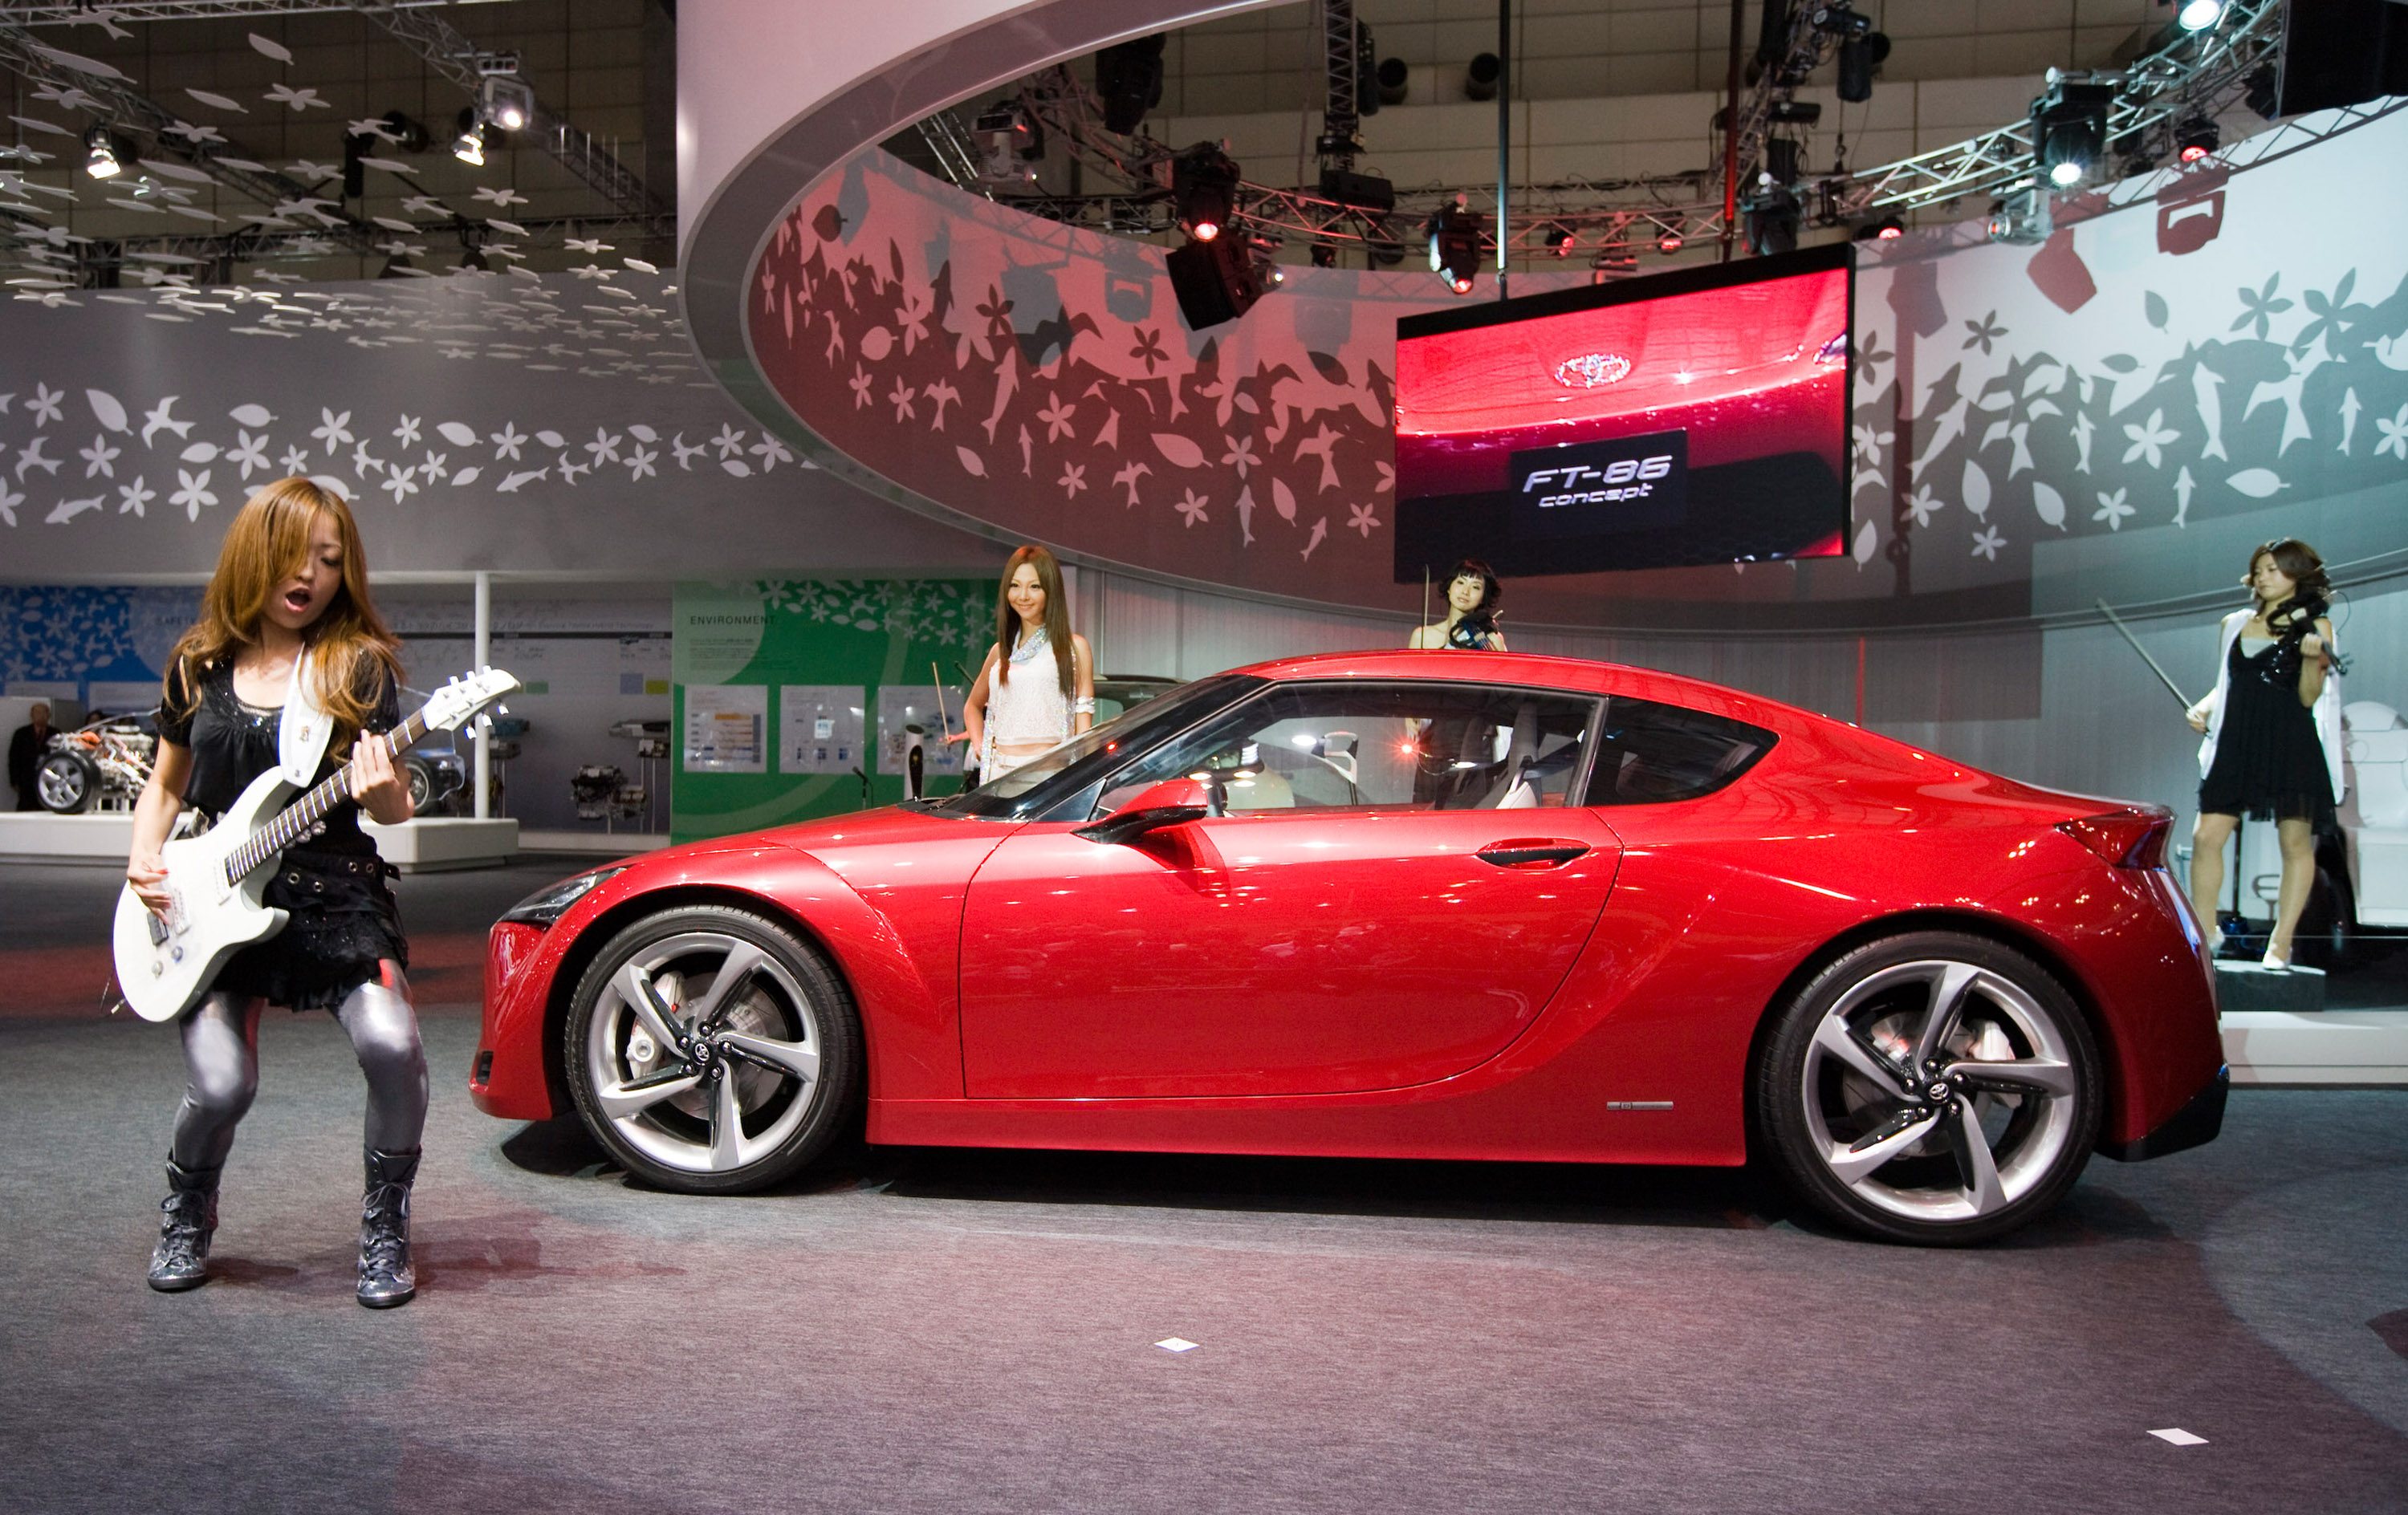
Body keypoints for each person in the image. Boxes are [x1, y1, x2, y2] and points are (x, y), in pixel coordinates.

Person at [125, 478, 426, 1306]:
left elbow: (394, 805)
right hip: (214, 897)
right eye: (297, 554)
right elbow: (165, 786)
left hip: (335, 889)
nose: (312, 574)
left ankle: (387, 1220)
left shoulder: (354, 666)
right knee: (223, 1086)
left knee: (392, 1047)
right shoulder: (199, 663)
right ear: (256, 555)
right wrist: (142, 858)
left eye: (331, 560)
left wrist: (379, 790)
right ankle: (187, 1209)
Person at [2184, 538, 2344, 972]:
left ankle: (2282, 939)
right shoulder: (2234, 623)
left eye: (2274, 569)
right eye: (2259, 569)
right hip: (2237, 741)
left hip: (2290, 743)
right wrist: (2204, 705)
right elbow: (2231, 681)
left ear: (2297, 574)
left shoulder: (2317, 627)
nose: (2264, 577)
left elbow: (2309, 698)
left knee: (2294, 842)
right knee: (2205, 837)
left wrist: (2313, 662)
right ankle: (2205, 930)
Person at [955, 545, 1095, 782]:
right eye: (1015, 585)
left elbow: (1084, 728)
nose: (1023, 596)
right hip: (999, 775)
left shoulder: (1074, 648)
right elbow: (972, 707)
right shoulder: (1000, 652)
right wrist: (982, 750)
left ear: (1051, 591)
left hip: (1051, 775)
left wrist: (1085, 775)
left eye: (1035, 587)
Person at [1409, 558, 1508, 650]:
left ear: (1483, 597)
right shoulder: (1422, 636)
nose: (1465, 592)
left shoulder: (1491, 640)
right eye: (1461, 582)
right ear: (1449, 588)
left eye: (1475, 587)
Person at [9, 701, 55, 810]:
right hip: (26, 779)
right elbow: (14, 758)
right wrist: (14, 781)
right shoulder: (21, 733)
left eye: (44, 713)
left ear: (49, 716)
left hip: (47, 780)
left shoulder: (54, 733)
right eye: (38, 713)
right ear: (32, 715)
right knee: (25, 807)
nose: (41, 716)